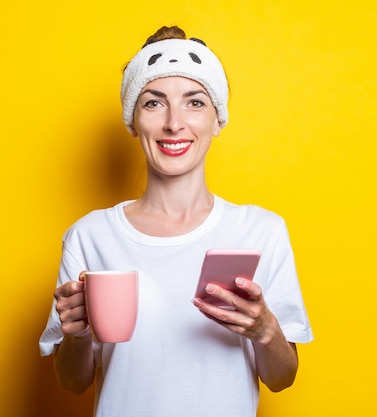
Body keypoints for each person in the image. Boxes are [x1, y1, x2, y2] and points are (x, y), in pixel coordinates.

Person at [39, 26, 313, 417]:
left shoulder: (261, 231)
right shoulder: (89, 235)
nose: (174, 123)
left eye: (195, 103)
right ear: (132, 122)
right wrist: (76, 333)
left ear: (218, 119)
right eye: (153, 103)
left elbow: (282, 378)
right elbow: (73, 382)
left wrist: (264, 328)